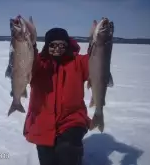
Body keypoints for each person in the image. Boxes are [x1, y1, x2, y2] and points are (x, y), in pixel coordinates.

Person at [23, 27, 91, 165]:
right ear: (47, 46)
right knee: (48, 160)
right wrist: (28, 41)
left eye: (62, 45)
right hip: (42, 120)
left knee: (67, 151)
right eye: (53, 45)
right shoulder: (39, 65)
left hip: (71, 119)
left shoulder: (78, 62)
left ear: (67, 45)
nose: (57, 48)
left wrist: (99, 40)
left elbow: (97, 60)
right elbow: (26, 62)